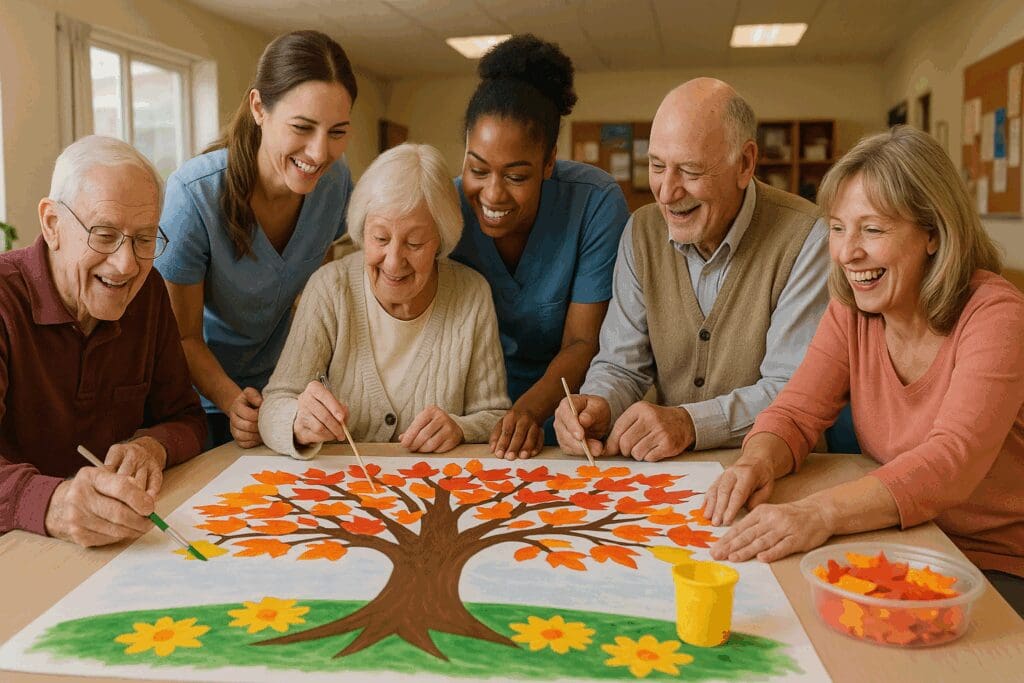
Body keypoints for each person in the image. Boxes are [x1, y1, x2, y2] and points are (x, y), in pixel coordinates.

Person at [704, 126, 1024, 615]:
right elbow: (795, 413)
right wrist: (755, 463)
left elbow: (951, 461)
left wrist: (819, 513)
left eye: (872, 229)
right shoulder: (852, 309)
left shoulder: (998, 315)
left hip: (998, 562)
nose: (846, 252)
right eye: (837, 227)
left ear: (933, 234)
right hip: (903, 539)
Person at [555, 78, 829, 462]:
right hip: (676, 475)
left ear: (745, 163)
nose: (666, 193)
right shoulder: (640, 232)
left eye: (689, 170)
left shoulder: (808, 236)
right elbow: (621, 364)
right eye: (656, 166)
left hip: (779, 469)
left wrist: (688, 423)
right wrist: (599, 402)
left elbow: (792, 389)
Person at [0, 135, 206, 546]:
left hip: (115, 548)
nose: (127, 264)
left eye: (145, 239)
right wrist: (52, 501)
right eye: (105, 234)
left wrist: (153, 447)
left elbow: (189, 419)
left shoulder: (148, 294)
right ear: (53, 224)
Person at [157, 30, 358, 451]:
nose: (319, 153)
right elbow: (182, 337)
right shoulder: (195, 194)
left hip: (285, 397)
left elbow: (320, 284)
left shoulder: (334, 183)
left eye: (337, 132)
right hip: (204, 405)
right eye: (302, 127)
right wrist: (233, 402)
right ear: (258, 107)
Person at [259, 143, 510, 459]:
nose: (393, 262)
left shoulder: (471, 294)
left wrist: (461, 428)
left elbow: (496, 416)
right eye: (379, 238)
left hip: (433, 492)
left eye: (414, 243)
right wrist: (297, 421)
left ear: (440, 240)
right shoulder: (330, 287)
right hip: (338, 491)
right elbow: (274, 405)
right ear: (363, 231)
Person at [452, 34, 630, 460]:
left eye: (516, 176)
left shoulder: (595, 202)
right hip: (469, 416)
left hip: (567, 411)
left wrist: (528, 411)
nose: (492, 195)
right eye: (478, 169)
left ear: (549, 161)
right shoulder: (447, 209)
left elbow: (582, 342)